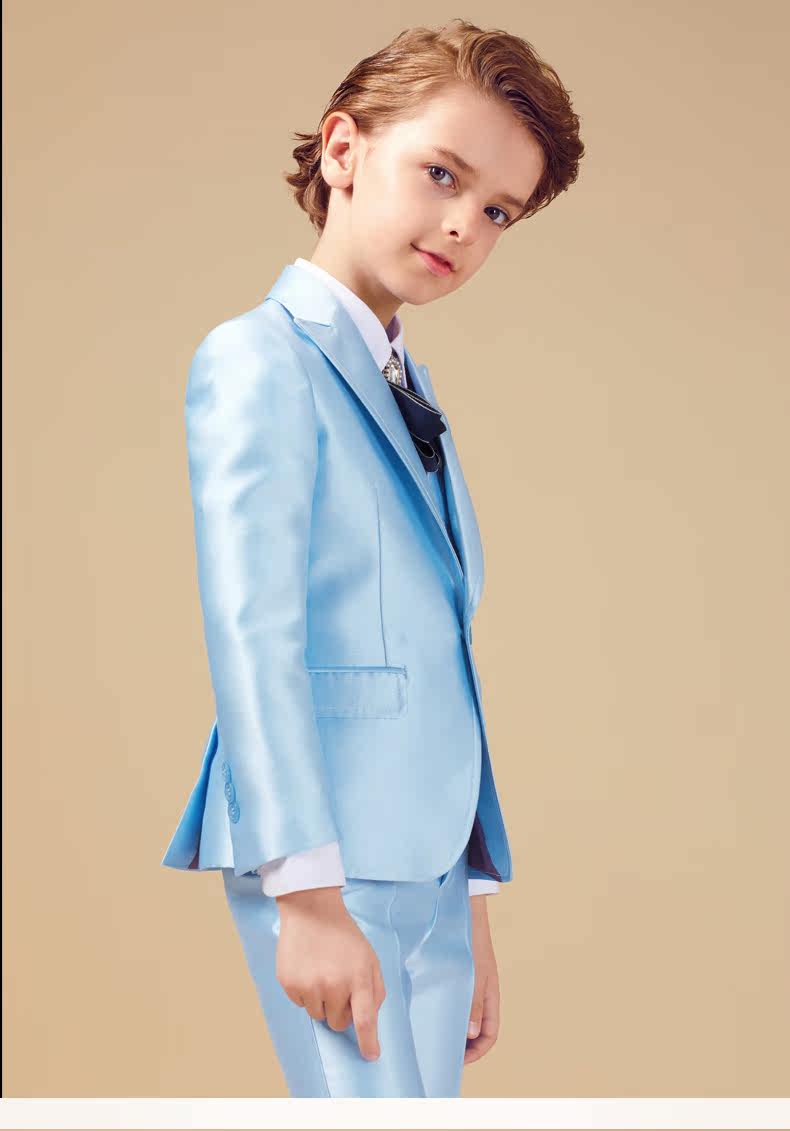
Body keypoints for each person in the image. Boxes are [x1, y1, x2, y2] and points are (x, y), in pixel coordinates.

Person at [161, 17, 584, 1097]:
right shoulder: (259, 360)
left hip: (429, 863)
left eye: (498, 212)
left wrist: (471, 896)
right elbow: (254, 635)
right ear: (343, 150)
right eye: (442, 174)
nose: (464, 224)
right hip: (327, 860)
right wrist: (305, 896)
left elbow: (442, 651)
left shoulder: (409, 387)